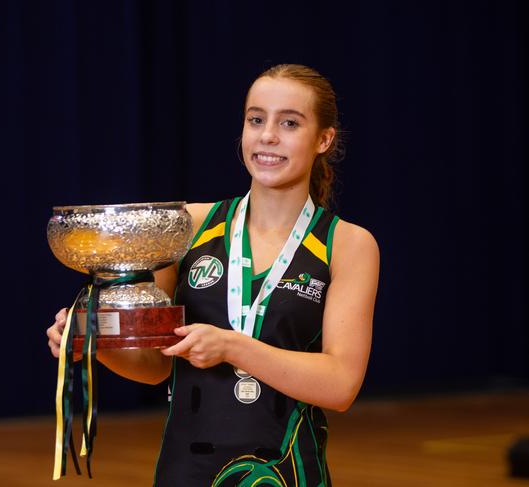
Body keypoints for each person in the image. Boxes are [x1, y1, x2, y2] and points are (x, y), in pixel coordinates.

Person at [47, 63, 379, 486]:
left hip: (287, 470)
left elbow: (341, 385)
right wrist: (97, 339)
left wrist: (233, 347)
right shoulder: (186, 225)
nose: (268, 136)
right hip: (186, 471)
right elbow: (154, 364)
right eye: (256, 119)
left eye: (289, 123)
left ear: (323, 139)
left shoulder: (348, 244)